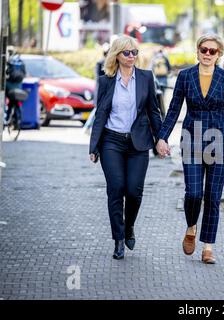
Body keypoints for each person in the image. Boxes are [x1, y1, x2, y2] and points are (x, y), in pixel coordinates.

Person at [155, 34, 224, 264]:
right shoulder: (185, 76)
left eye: (212, 51)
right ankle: (191, 226)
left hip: (219, 141)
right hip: (191, 140)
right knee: (194, 194)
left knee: (213, 198)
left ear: (219, 54)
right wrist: (162, 137)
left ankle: (208, 247)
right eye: (203, 50)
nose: (207, 54)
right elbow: (174, 109)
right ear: (197, 51)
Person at [89, 35, 163, 260]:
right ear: (117, 55)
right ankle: (119, 239)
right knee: (116, 188)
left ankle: (128, 226)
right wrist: (94, 146)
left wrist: (161, 139)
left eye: (134, 52)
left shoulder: (146, 78)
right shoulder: (106, 80)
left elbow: (153, 111)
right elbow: (100, 114)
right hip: (111, 141)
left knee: (134, 191)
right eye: (126, 53)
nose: (131, 56)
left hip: (138, 142)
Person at [5, 46, 26, 123]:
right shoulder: (20, 61)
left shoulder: (8, 61)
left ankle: (6, 118)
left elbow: (6, 73)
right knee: (15, 101)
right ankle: (18, 119)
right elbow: (24, 73)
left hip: (9, 85)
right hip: (18, 85)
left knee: (5, 98)